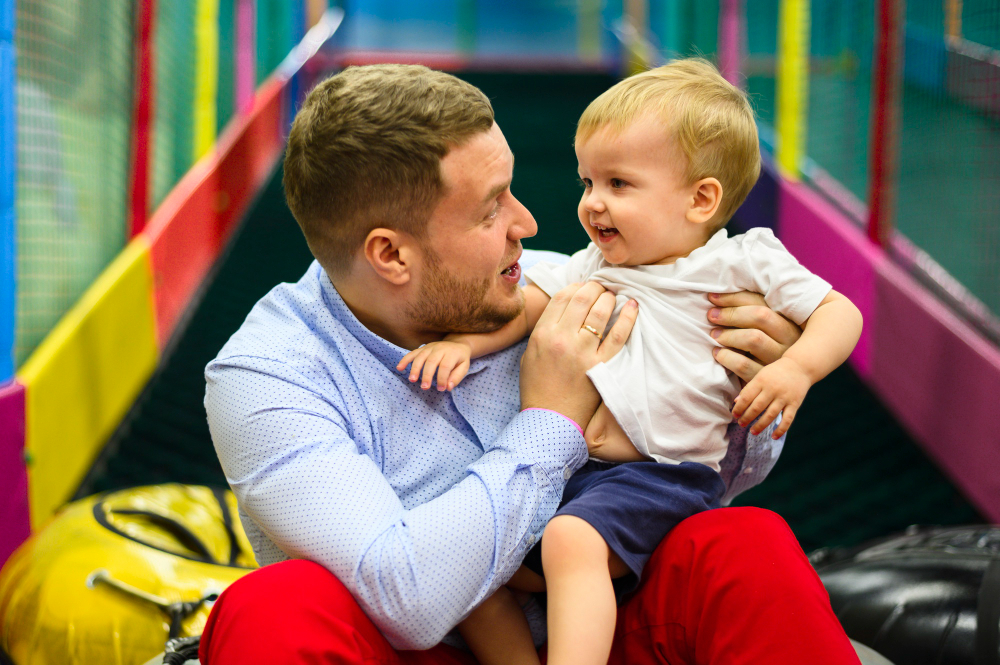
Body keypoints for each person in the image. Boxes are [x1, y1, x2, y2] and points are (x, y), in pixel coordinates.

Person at [198, 63, 862, 664]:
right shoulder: (267, 377)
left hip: (604, 629)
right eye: (493, 208)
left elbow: (698, 475)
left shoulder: (555, 285)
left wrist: (750, 374)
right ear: (391, 255)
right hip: (428, 647)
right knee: (273, 607)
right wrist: (550, 421)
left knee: (745, 542)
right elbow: (407, 596)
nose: (530, 223)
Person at [398, 58, 863, 665]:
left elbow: (840, 313)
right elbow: (528, 304)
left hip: (665, 475)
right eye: (587, 183)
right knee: (472, 577)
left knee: (571, 540)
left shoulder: (742, 262)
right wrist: (466, 344)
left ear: (701, 200)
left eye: (618, 184)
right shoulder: (596, 263)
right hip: (581, 476)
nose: (592, 204)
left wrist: (795, 368)